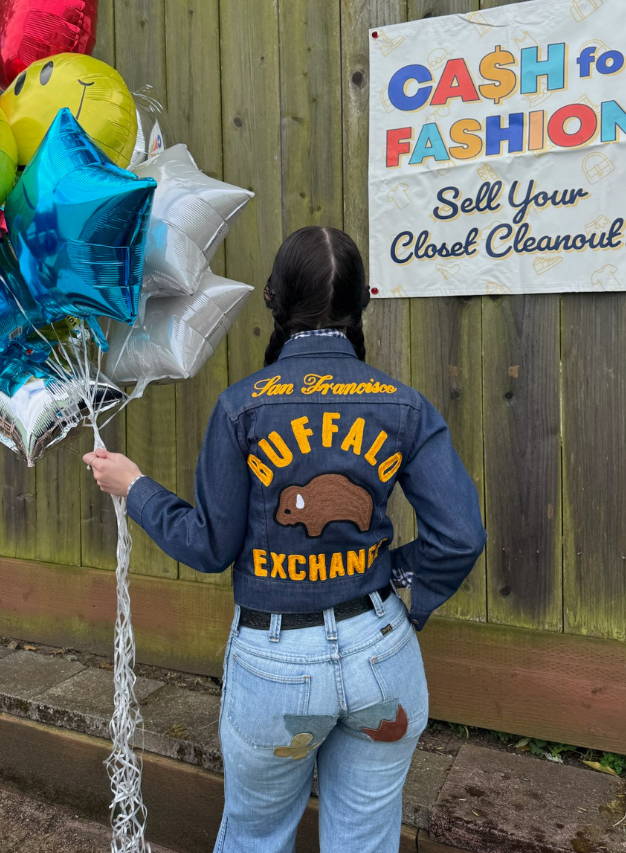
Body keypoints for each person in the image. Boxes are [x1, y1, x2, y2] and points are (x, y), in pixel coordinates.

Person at [85, 226, 486, 853]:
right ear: (363, 302)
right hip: (381, 654)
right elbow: (460, 535)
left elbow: (210, 547)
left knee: (256, 837)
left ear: (273, 300)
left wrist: (135, 487)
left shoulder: (241, 408)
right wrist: (392, 575)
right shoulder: (402, 406)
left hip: (275, 666)